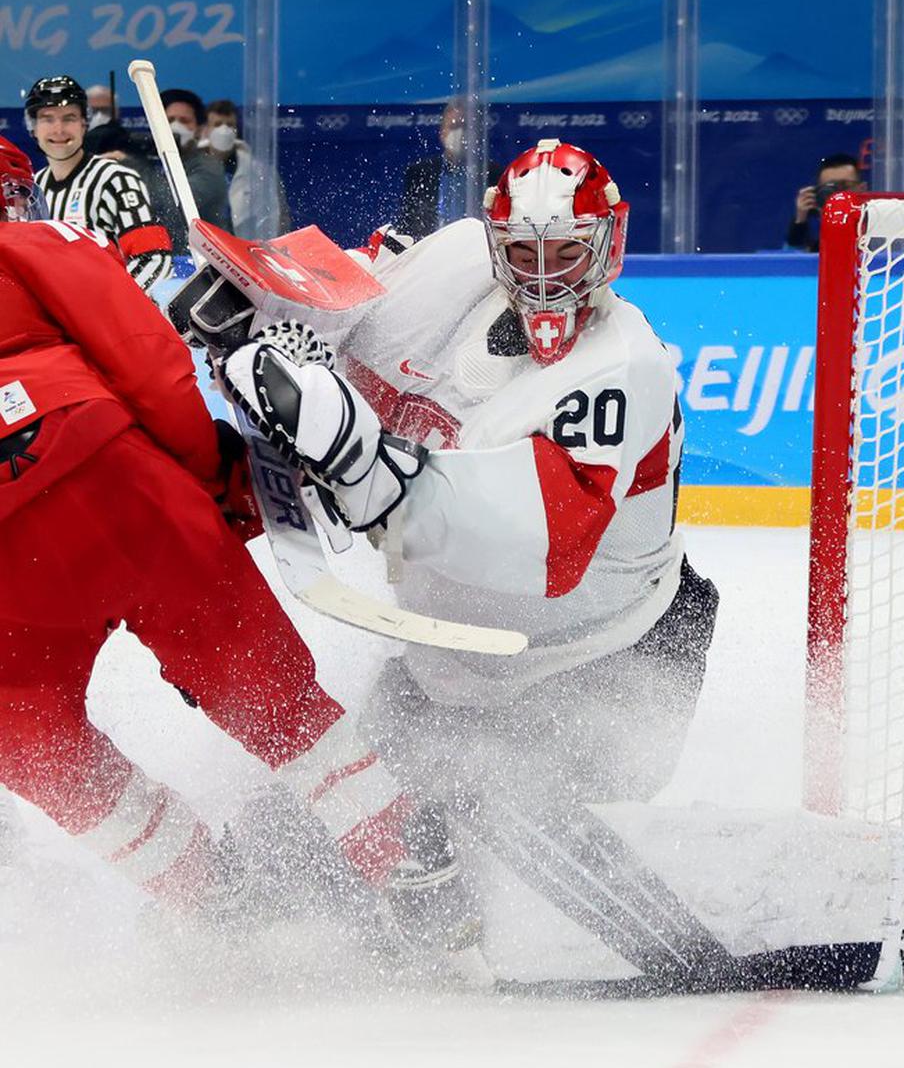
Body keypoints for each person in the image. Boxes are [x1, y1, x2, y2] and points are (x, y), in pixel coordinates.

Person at [0, 135, 477, 960]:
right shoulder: (33, 243)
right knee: (259, 687)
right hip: (100, 476)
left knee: (27, 734)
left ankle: (211, 895)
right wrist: (211, 479)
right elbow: (146, 364)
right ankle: (406, 861)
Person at [221, 139, 719, 841]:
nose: (545, 279)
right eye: (524, 253)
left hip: (600, 661)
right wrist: (261, 300)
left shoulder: (624, 368)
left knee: (489, 863)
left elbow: (545, 547)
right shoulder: (453, 265)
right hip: (449, 662)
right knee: (306, 848)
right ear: (495, 245)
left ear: (608, 246)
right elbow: (343, 291)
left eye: (566, 254)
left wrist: (363, 471)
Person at [24, 75, 173, 295]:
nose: (58, 129)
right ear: (33, 127)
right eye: (47, 119)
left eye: (69, 118)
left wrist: (103, 305)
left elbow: (153, 258)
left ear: (85, 123)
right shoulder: (33, 188)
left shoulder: (116, 180)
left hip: (111, 322)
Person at [396, 98, 503, 240]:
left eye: (465, 127)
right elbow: (407, 226)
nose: (459, 132)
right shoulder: (419, 173)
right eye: (453, 126)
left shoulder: (493, 174)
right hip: (431, 251)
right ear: (442, 132)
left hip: (476, 250)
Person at [203, 99, 292, 240]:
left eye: (230, 125)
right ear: (206, 130)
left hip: (246, 251)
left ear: (236, 130)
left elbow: (279, 216)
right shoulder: (187, 169)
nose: (224, 130)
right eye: (218, 124)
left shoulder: (262, 172)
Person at [160, 88, 232, 249]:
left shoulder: (210, 166)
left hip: (201, 262)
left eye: (184, 120)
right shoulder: (154, 163)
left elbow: (172, 205)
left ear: (199, 129)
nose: (175, 126)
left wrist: (135, 169)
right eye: (169, 120)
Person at [786, 152, 867, 252]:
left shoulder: (878, 225)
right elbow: (788, 262)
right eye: (830, 187)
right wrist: (800, 220)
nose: (838, 194)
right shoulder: (813, 235)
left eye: (845, 185)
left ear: (862, 189)